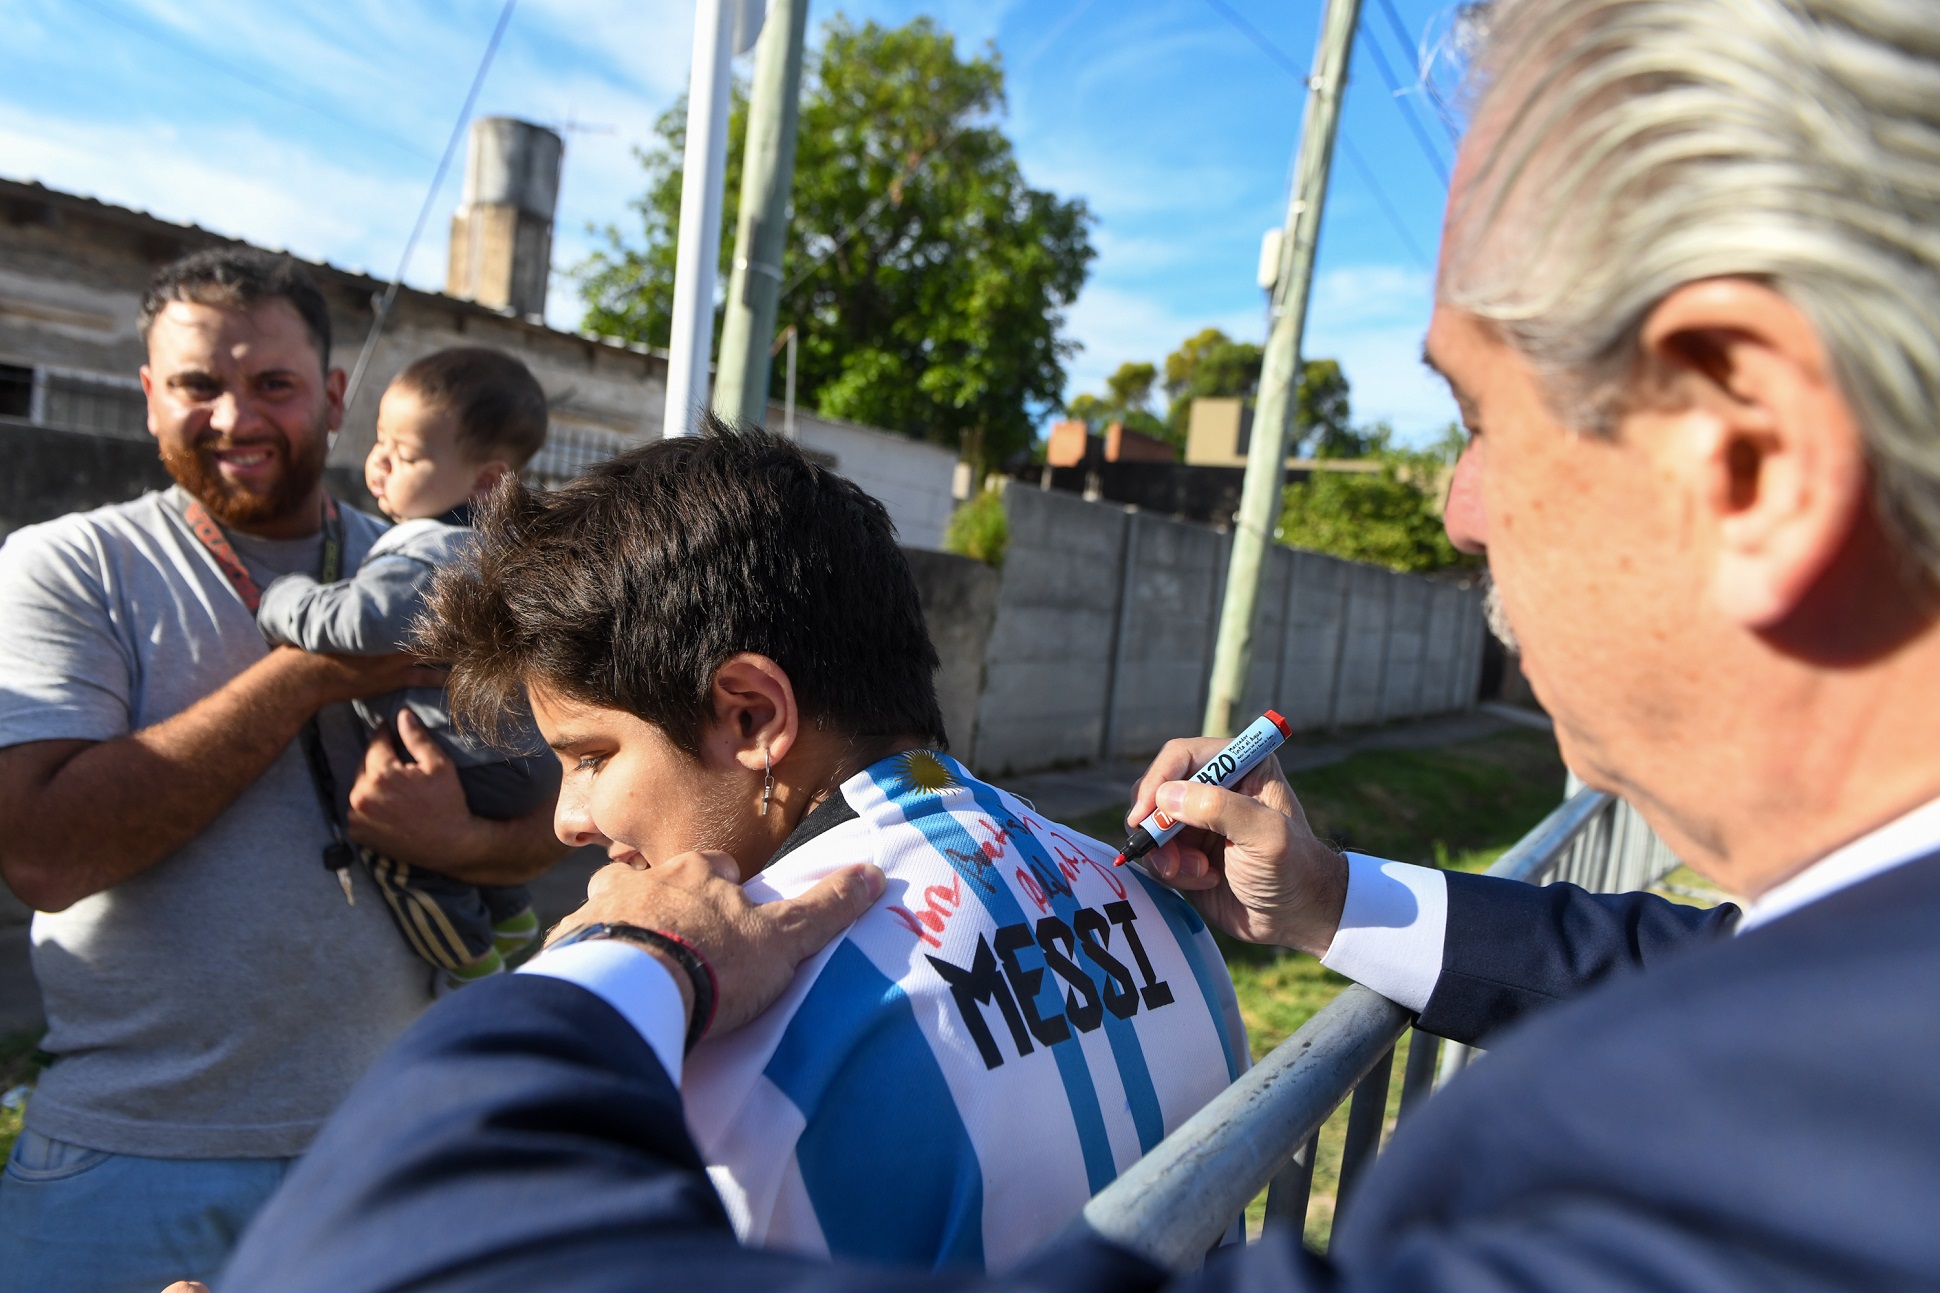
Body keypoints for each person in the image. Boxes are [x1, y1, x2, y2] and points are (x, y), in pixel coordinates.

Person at [224, 0, 1940, 1286]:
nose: (1460, 510)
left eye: (1473, 416)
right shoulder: (1162, 911)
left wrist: (618, 965)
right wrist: (1339, 904)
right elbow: (1706, 960)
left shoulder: (740, 1059)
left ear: (1746, 448)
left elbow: (412, 1254)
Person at [401, 424, 1245, 1270]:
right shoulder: (1166, 912)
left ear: (754, 716)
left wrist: (610, 967)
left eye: (591, 756)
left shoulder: (717, 1043)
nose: (569, 819)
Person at [0, 249, 563, 1293]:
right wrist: (310, 675)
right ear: (147, 396)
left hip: (382, 1152)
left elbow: (573, 799)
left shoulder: (434, 561)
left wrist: (467, 844)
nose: (233, 417)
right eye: (196, 385)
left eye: (273, 385)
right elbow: (42, 854)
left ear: (335, 397)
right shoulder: (69, 566)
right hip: (129, 1162)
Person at [257, 347, 559, 988]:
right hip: (519, 757)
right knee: (464, 854)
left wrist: (284, 599)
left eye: (408, 455)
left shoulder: (427, 552)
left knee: (399, 856)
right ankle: (508, 916)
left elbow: (358, 623)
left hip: (469, 758)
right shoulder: (500, 550)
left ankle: (468, 964)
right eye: (379, 443)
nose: (379, 464)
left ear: (485, 480)